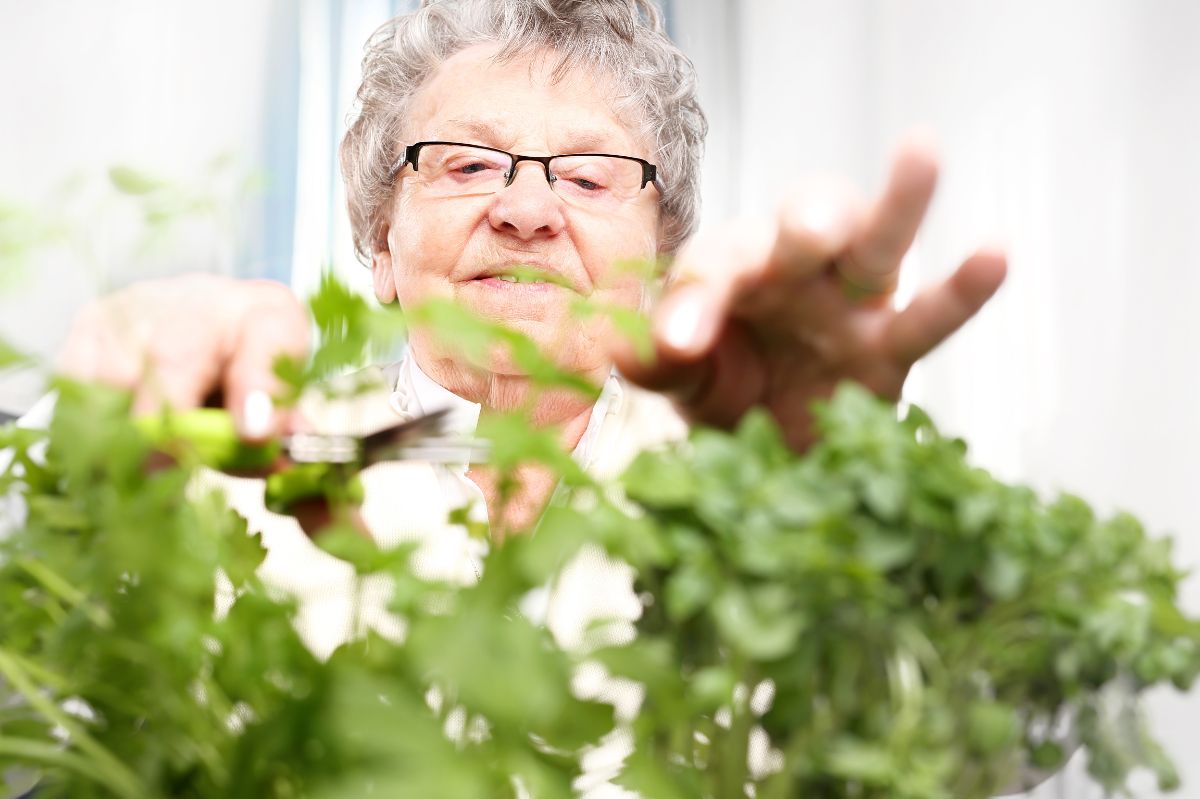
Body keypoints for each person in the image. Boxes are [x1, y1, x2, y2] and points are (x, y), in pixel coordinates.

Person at [55, 0, 1005, 648]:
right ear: (379, 249)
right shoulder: (245, 459)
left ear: (662, 266)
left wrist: (840, 475)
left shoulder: (757, 473)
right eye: (465, 164)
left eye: (590, 178)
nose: (526, 210)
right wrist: (97, 462)